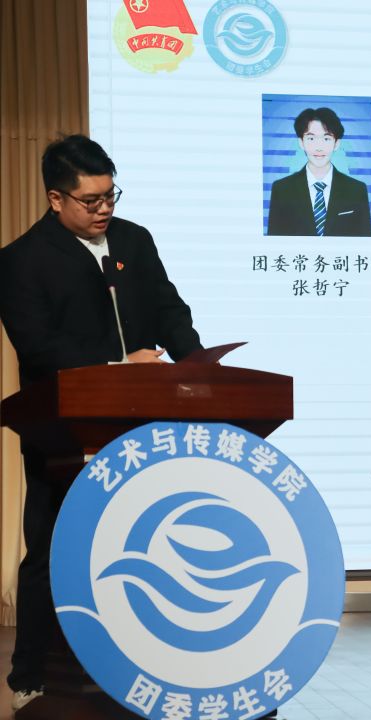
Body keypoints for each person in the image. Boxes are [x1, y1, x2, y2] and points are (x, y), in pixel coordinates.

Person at [0, 135, 203, 711]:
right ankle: (30, 674)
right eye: (91, 200)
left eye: (111, 195)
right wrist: (118, 365)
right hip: (61, 428)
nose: (104, 209)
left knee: (151, 542)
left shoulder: (134, 240)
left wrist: (196, 365)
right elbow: (38, 346)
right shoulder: (21, 259)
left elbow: (168, 308)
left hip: (143, 421)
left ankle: (154, 664)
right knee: (52, 548)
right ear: (55, 199)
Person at [267, 107, 371, 237]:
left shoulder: (357, 190)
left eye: (326, 138)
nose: (319, 148)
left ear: (336, 143)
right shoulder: (281, 189)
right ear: (301, 142)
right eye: (311, 139)